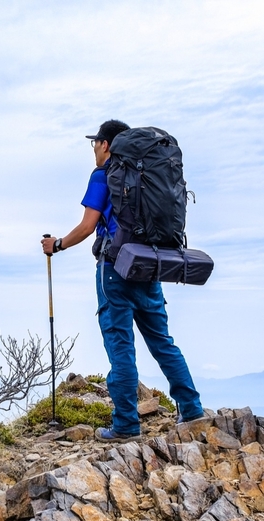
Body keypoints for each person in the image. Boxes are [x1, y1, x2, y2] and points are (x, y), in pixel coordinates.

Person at [40, 120, 204, 443]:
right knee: (162, 342)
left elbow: (88, 226)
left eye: (95, 144)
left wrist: (57, 245)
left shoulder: (104, 175)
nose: (94, 152)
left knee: (120, 347)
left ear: (106, 145)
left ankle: (126, 424)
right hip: (149, 264)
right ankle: (192, 408)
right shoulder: (144, 174)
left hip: (115, 269)